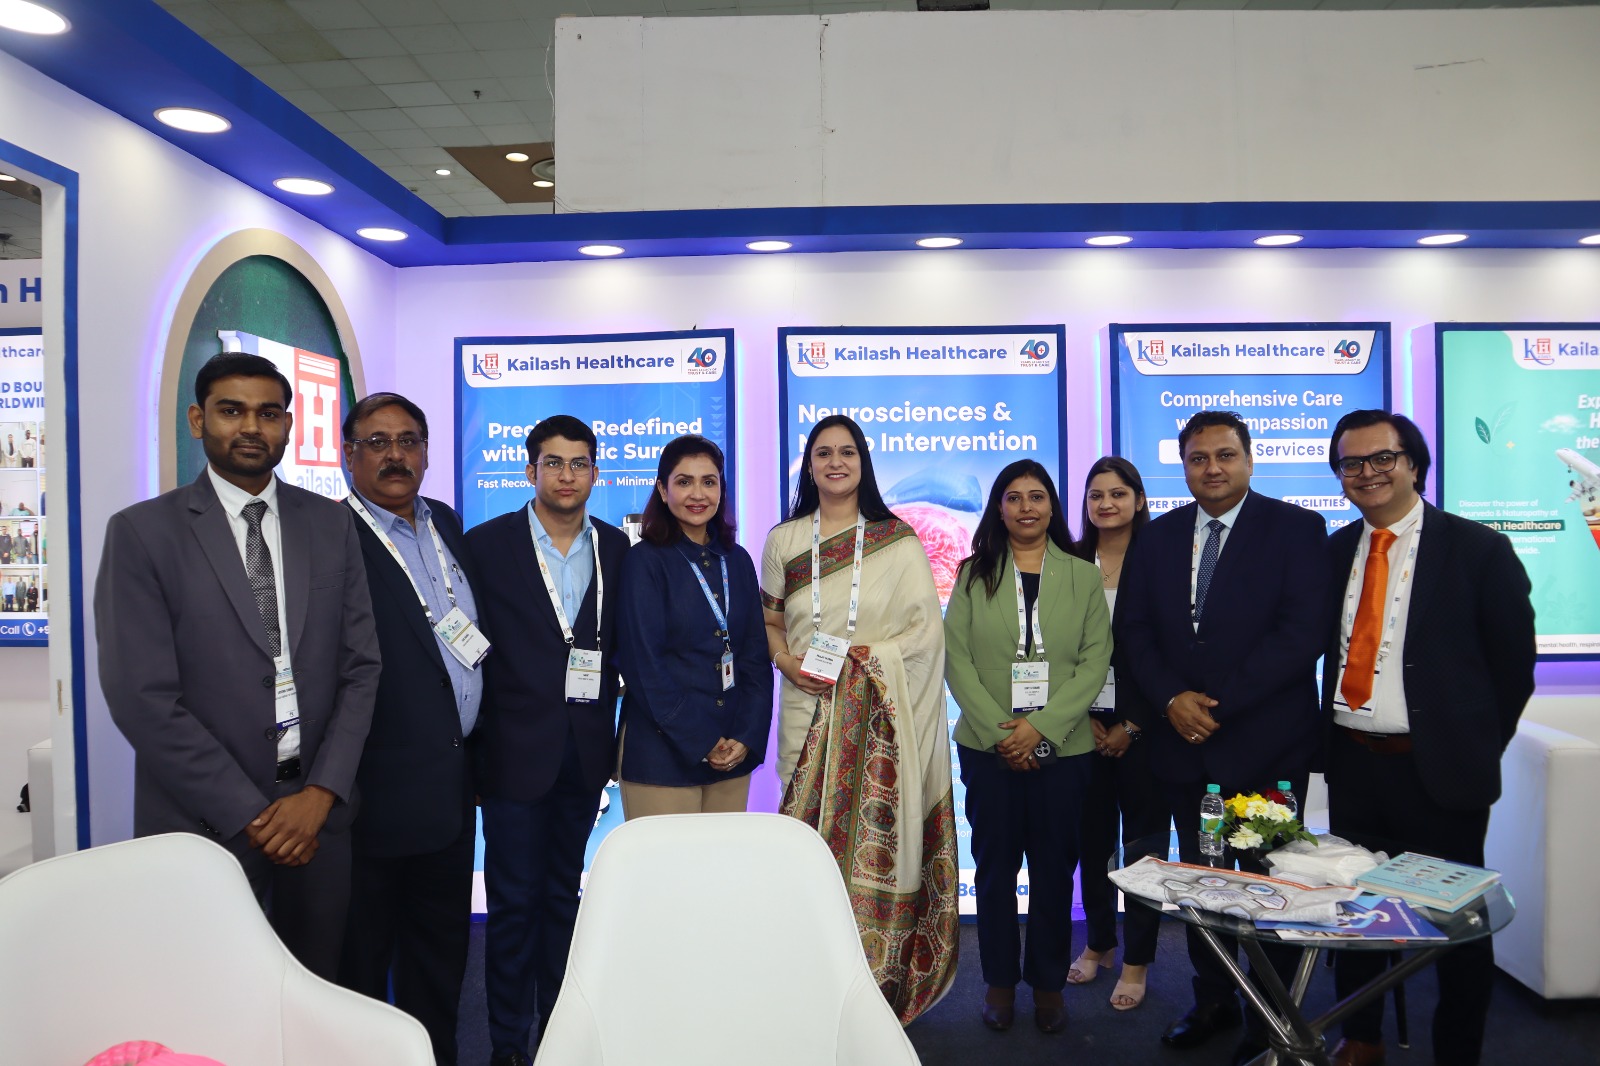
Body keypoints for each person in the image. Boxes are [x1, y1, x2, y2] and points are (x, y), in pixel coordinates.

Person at [94, 351, 381, 981]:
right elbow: (142, 699)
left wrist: (319, 794)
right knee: (208, 996)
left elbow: (362, 667)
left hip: (317, 816)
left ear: (289, 426)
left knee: (315, 990)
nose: (251, 426)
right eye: (232, 410)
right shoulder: (143, 533)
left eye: (268, 413)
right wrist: (251, 815)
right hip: (204, 823)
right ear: (198, 420)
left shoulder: (331, 524)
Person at [1321, 411, 1535, 1066]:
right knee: (1359, 914)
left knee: (1458, 928)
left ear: (1413, 463)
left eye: (1382, 458)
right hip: (1355, 766)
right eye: (1351, 463)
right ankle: (1361, 1035)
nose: (1367, 473)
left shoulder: (1478, 550)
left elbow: (1513, 669)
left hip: (1440, 774)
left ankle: (1457, 1053)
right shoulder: (1332, 551)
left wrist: (1470, 748)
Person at [1116, 410, 1331, 1064]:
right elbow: (1134, 631)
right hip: (1186, 751)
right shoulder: (1158, 537)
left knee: (1268, 882)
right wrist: (1171, 700)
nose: (1212, 468)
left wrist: (1216, 704)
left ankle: (1273, 1015)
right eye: (1199, 458)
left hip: (1267, 751)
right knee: (1205, 883)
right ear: (1183, 466)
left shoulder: (1296, 529)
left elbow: (1302, 634)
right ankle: (1212, 999)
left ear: (1249, 459)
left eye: (1225, 455)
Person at [761, 414, 958, 1024]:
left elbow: (925, 637)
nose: (836, 463)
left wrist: (863, 662)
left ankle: (872, 986)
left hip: (880, 722)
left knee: (876, 844)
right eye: (823, 453)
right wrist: (787, 663)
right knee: (807, 848)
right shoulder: (785, 540)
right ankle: (807, 986)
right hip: (805, 708)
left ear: (863, 463)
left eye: (847, 452)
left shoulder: (898, 541)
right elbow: (769, 623)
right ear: (809, 466)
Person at [465, 414, 630, 1066]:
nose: (567, 475)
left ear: (595, 472)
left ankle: (558, 1040)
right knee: (512, 907)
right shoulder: (486, 546)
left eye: (579, 463)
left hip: (584, 755)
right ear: (530, 470)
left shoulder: (616, 548)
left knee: (564, 899)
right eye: (554, 463)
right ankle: (508, 1045)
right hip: (512, 754)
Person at [335, 393, 488, 1066]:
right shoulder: (331, 536)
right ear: (349, 454)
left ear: (425, 451)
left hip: (451, 791)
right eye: (377, 442)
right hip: (374, 797)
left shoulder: (445, 522)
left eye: (407, 441)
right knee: (364, 967)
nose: (394, 455)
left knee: (441, 959)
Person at [944, 460, 1110, 1033]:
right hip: (988, 747)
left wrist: (1040, 727)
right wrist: (1003, 733)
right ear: (999, 507)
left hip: (1065, 748)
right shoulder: (972, 574)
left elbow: (1095, 661)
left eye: (1037, 496)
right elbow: (956, 659)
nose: (1026, 507)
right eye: (1013, 497)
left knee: (1054, 870)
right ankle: (997, 981)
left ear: (1052, 507)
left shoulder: (1083, 575)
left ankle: (1047, 984)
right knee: (994, 869)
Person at [616, 435, 772, 816]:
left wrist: (747, 735)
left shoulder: (737, 560)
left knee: (725, 857)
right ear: (662, 489)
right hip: (661, 756)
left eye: (709, 481)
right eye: (684, 482)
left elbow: (754, 657)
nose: (697, 494)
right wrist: (702, 740)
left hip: (732, 752)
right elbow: (643, 667)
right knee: (667, 858)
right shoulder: (644, 562)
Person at [1066, 455, 1167, 1012]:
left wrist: (1133, 723)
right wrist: (1079, 716)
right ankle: (1100, 942)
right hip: (1082, 724)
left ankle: (1137, 960)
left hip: (1147, 727)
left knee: (1146, 847)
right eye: (1095, 495)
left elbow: (1172, 652)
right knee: (1093, 842)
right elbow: (1058, 649)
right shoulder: (1070, 562)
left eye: (1118, 493)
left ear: (1139, 500)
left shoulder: (1163, 560)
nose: (1106, 504)